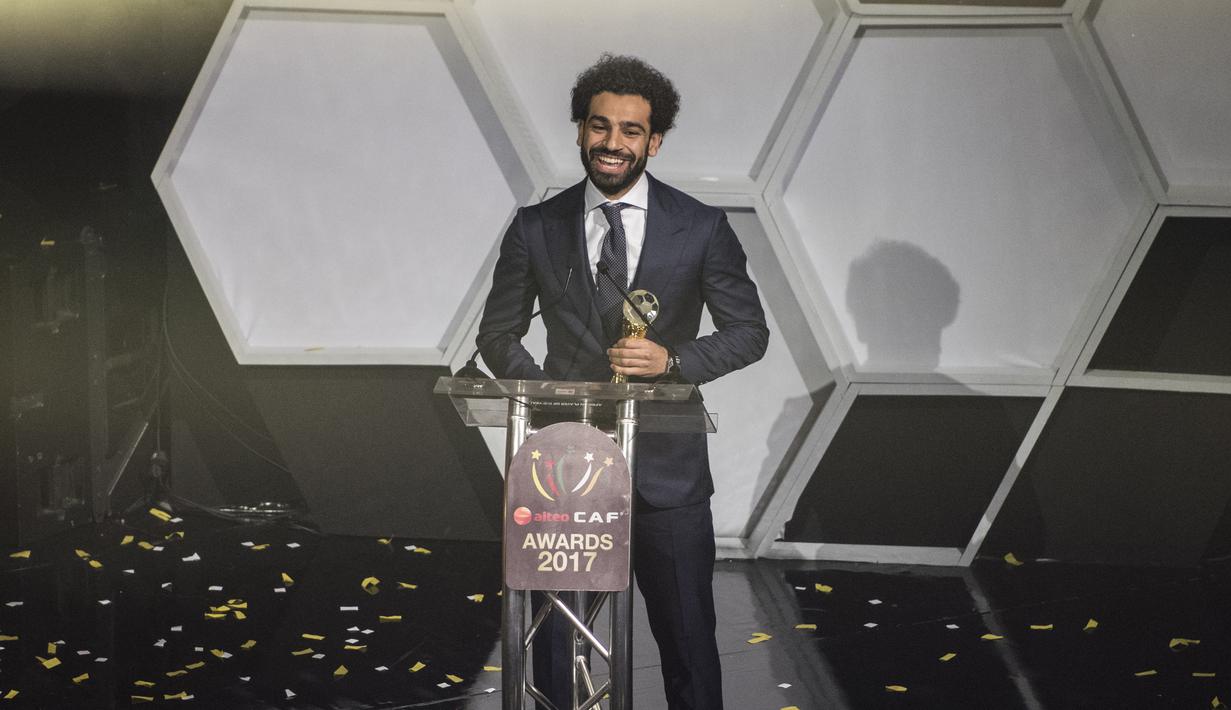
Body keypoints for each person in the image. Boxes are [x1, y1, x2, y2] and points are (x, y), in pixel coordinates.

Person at [476, 53, 768, 710]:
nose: (613, 143)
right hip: (566, 471)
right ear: (580, 130)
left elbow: (749, 332)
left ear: (653, 141)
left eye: (630, 131)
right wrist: (554, 405)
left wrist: (674, 362)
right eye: (600, 126)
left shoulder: (699, 226)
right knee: (555, 643)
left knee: (688, 638)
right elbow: (496, 337)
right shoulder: (535, 227)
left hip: (668, 471)